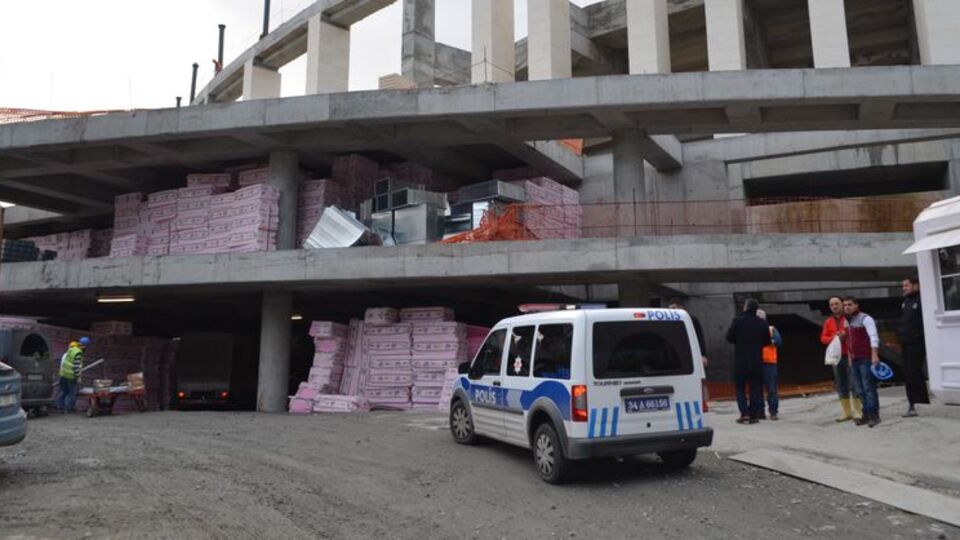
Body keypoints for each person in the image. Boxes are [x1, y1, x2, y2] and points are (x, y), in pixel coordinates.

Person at [726, 299, 771, 424]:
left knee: (740, 388)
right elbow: (767, 341)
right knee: (755, 390)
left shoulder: (738, 321)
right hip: (756, 361)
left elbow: (729, 337)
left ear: (745, 308)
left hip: (740, 360)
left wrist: (740, 342)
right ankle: (753, 415)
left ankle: (744, 413)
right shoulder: (761, 323)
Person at [821, 296, 863, 422]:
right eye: (832, 304)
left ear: (842, 304)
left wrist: (845, 335)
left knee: (854, 383)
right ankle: (846, 412)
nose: (834, 306)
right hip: (836, 357)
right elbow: (823, 338)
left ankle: (858, 411)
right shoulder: (828, 321)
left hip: (850, 354)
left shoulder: (850, 318)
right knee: (841, 384)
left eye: (837, 303)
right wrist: (835, 338)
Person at [842, 297, 882, 427]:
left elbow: (873, 336)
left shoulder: (865, 318)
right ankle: (866, 413)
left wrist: (874, 354)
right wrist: (849, 357)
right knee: (859, 389)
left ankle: (874, 414)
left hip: (865, 357)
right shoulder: (846, 322)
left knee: (868, 387)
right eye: (845, 305)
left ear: (856, 305)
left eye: (849, 305)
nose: (847, 307)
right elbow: (848, 342)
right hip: (854, 359)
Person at [899, 276, 930, 417]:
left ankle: (916, 403)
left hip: (917, 343)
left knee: (913, 372)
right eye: (903, 286)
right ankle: (915, 402)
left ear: (915, 285)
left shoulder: (922, 300)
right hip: (905, 342)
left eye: (906, 285)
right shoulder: (905, 302)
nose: (904, 288)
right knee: (908, 373)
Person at [756, 310, 783, 421]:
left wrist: (766, 341)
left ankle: (773, 412)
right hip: (757, 363)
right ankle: (760, 412)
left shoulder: (771, 329)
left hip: (770, 364)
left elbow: (779, 342)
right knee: (757, 390)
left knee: (771, 389)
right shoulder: (753, 330)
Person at [667, 297, 708, 367]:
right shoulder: (668, 321)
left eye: (674, 308)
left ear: (681, 307)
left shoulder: (691, 319)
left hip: (690, 352)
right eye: (670, 309)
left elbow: (699, 337)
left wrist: (702, 355)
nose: (672, 311)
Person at [56, 336, 89, 414]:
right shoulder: (78, 353)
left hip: (63, 374)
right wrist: (78, 376)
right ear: (85, 346)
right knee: (71, 393)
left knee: (63, 391)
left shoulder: (71, 349)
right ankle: (69, 409)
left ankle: (59, 407)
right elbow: (76, 366)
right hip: (71, 376)